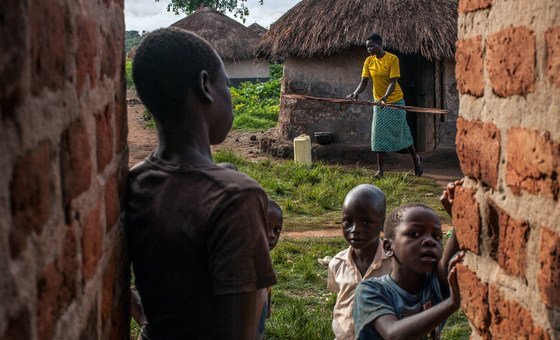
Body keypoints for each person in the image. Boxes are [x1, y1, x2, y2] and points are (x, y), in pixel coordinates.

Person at [125, 28, 276, 339]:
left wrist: (146, 323)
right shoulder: (235, 197)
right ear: (206, 86)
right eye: (228, 86)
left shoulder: (136, 181)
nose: (231, 99)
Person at [353, 201, 462, 339]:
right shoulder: (370, 291)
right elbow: (393, 334)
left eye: (437, 236)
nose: (430, 241)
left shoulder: (435, 285)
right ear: (388, 248)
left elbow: (447, 265)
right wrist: (451, 303)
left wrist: (460, 219)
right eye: (415, 234)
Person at [347, 33, 423, 179]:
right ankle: (380, 172)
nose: (369, 49)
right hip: (379, 103)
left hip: (395, 101)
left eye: (372, 46)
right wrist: (355, 93)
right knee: (378, 135)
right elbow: (364, 82)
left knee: (403, 133)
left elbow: (393, 82)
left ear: (380, 44)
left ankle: (416, 160)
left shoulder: (392, 59)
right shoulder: (369, 61)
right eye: (367, 47)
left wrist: (386, 97)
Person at [327, 184, 392, 340]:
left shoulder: (394, 263)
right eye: (348, 221)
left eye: (366, 222)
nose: (355, 229)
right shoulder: (337, 263)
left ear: (382, 223)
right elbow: (340, 299)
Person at [256, 198, 284, 339]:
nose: (272, 235)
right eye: (265, 227)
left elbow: (263, 316)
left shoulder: (266, 267)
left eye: (276, 230)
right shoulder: (237, 265)